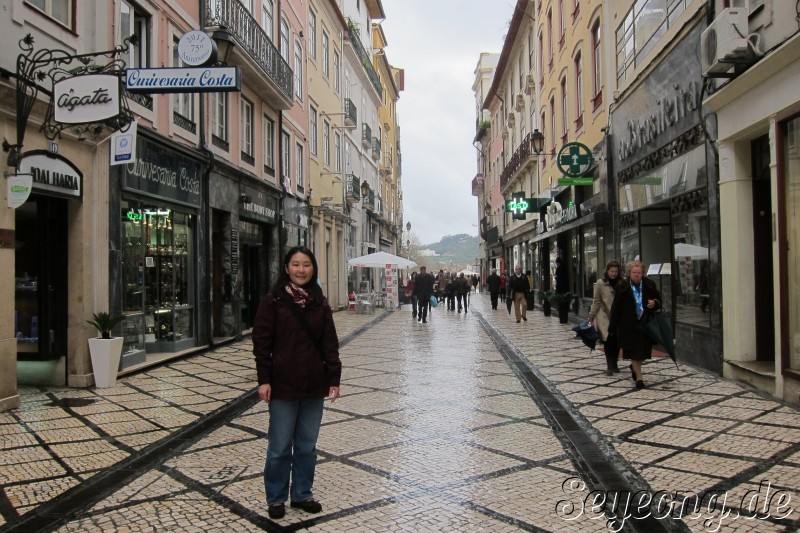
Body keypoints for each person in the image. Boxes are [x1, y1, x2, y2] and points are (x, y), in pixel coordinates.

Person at [252, 246, 342, 520]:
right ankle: (276, 498)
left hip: (314, 385)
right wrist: (264, 379)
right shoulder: (273, 301)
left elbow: (330, 344)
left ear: (313, 269)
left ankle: (302, 494)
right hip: (282, 385)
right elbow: (261, 343)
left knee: (306, 446)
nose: (301, 270)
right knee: (279, 446)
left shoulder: (320, 303)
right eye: (295, 264)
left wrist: (334, 379)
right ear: (287, 268)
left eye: (306, 265)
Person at [608, 260, 661, 390]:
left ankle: (635, 368)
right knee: (633, 351)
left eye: (639, 273)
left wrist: (654, 303)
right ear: (629, 273)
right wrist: (612, 327)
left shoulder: (649, 284)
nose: (637, 275)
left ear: (642, 273)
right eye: (634, 273)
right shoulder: (623, 286)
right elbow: (616, 308)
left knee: (642, 352)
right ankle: (639, 378)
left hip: (645, 323)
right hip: (628, 324)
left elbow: (659, 300)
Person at [588, 260, 622, 376]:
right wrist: (591, 316)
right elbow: (596, 301)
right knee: (608, 340)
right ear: (607, 271)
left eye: (616, 271)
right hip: (604, 315)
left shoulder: (622, 283)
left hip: (618, 316)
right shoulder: (601, 283)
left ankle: (615, 363)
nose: (614, 274)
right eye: (612, 271)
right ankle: (609, 365)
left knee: (616, 340)